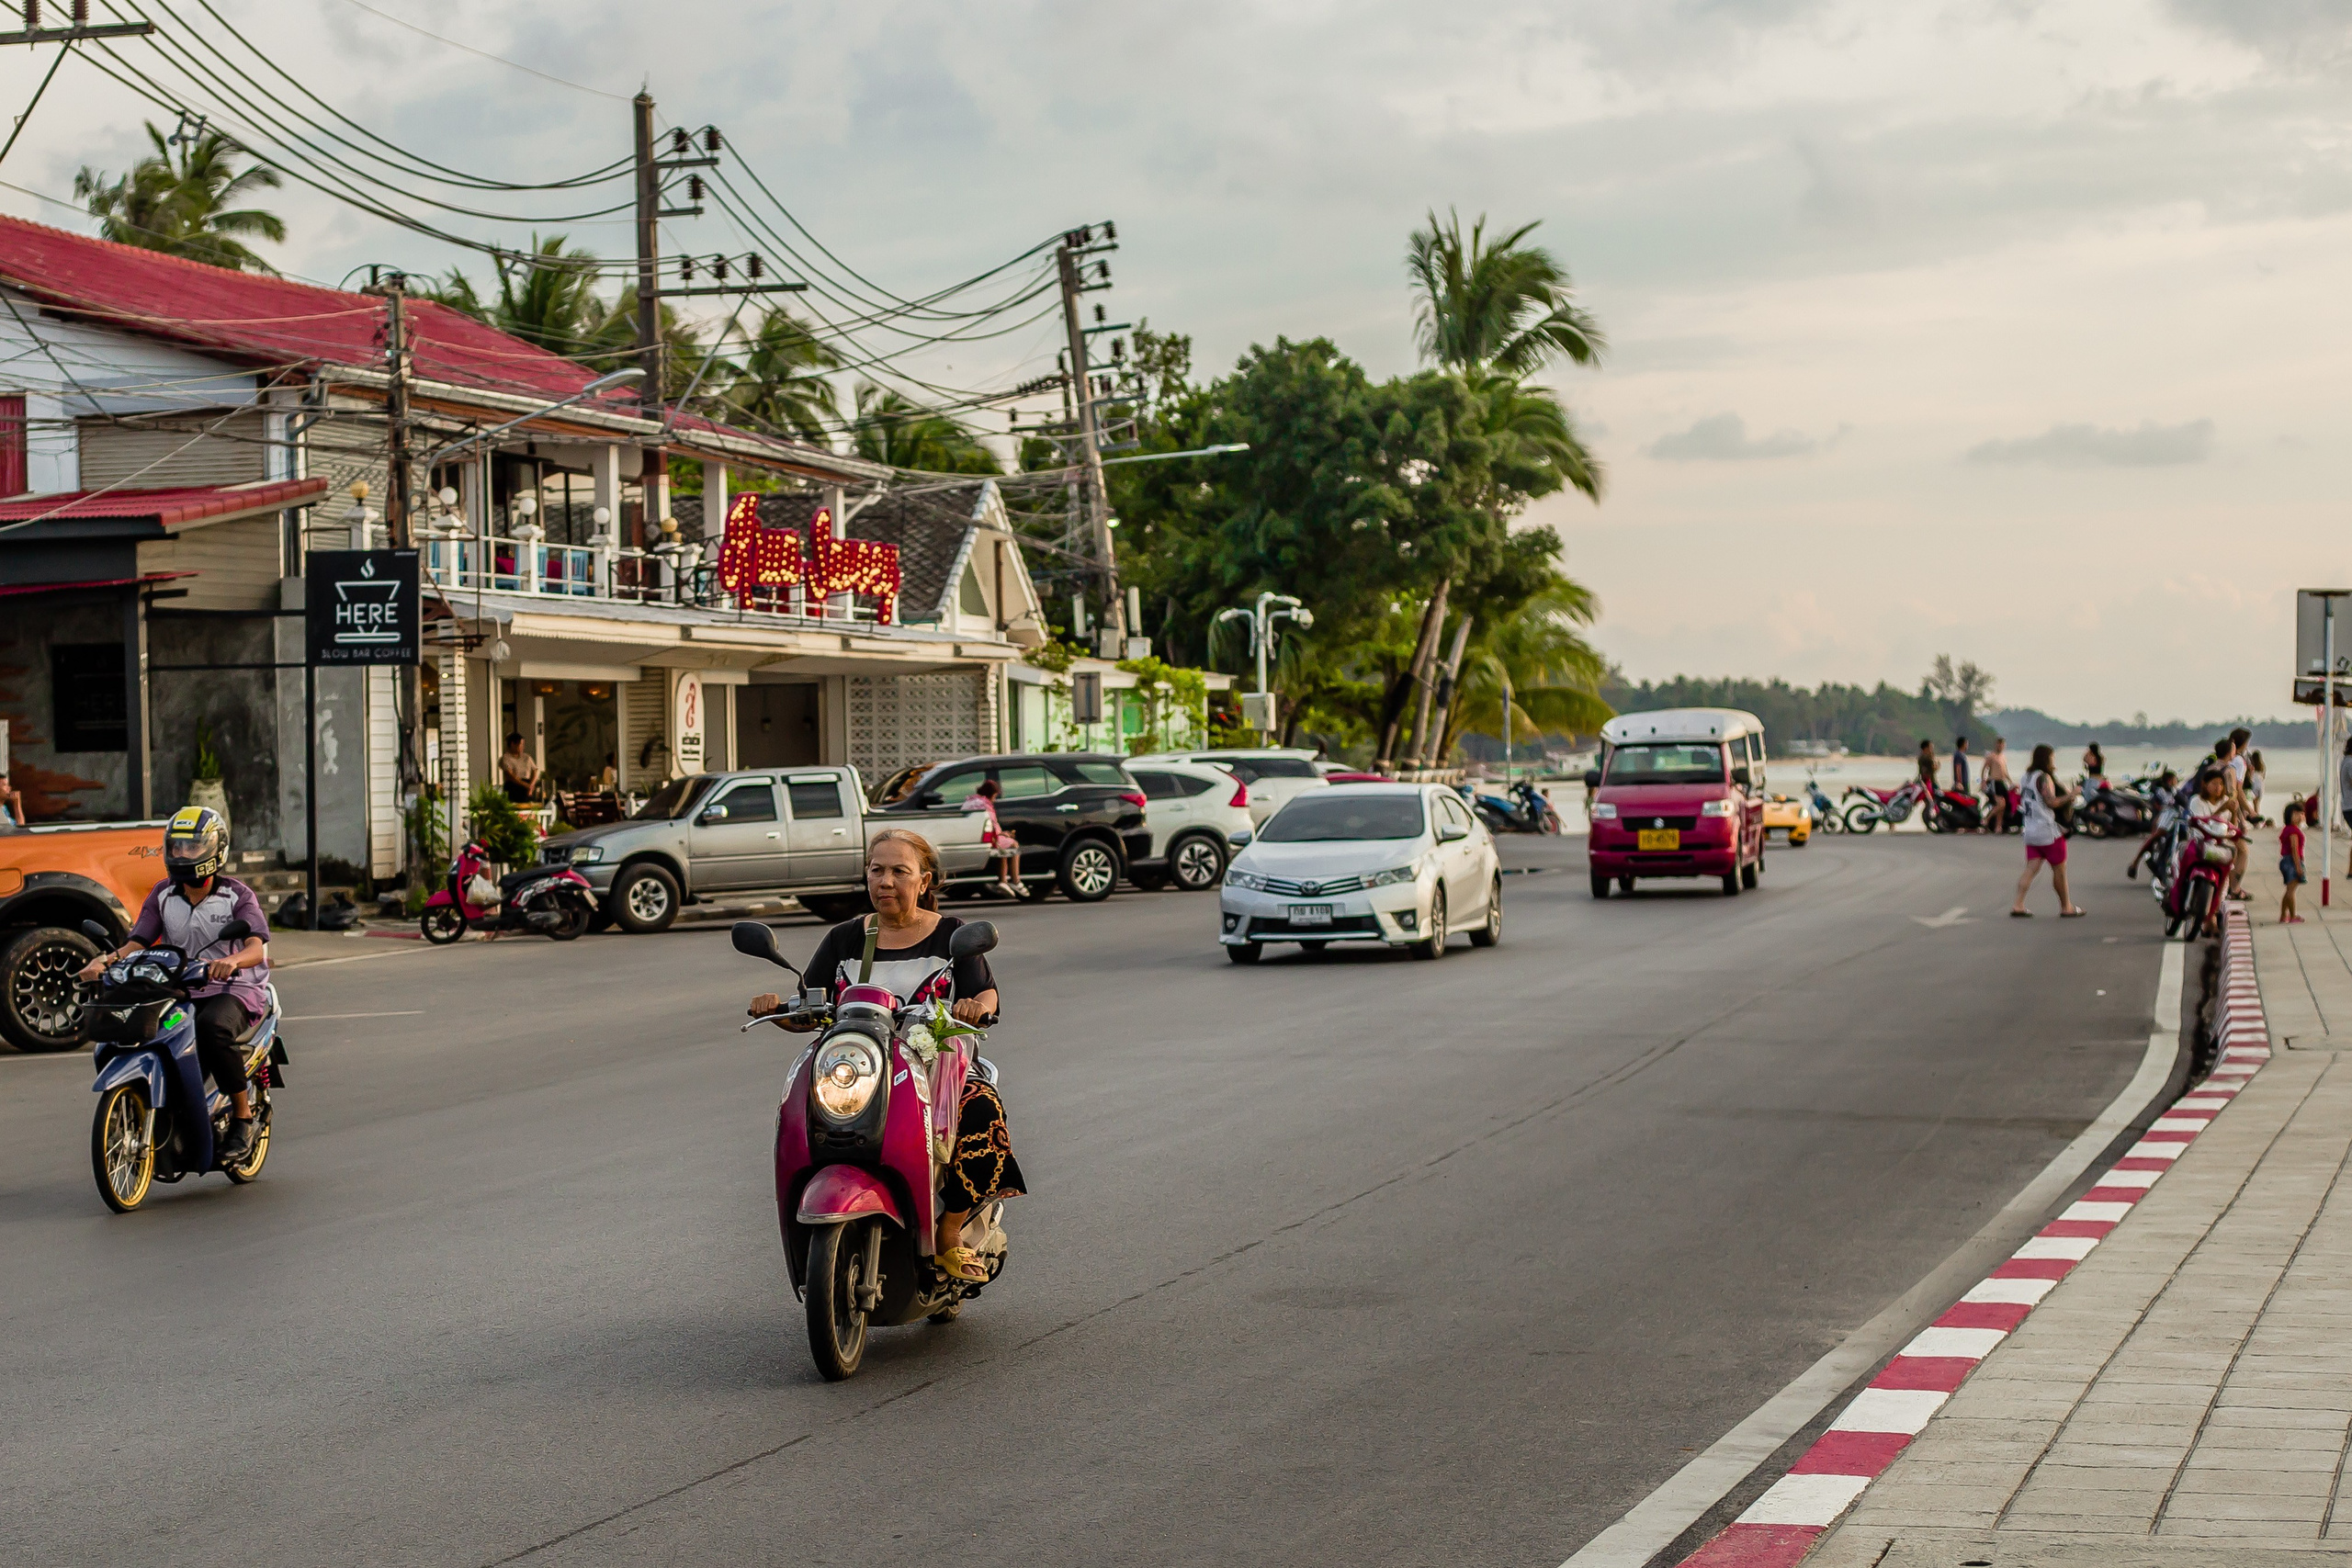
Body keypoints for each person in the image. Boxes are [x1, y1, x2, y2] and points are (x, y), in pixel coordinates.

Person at [751, 829, 1023, 1284]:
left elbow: (985, 993)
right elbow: (809, 1006)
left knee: (981, 1110)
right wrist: (776, 1009)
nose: (886, 881)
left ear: (923, 880)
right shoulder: (843, 938)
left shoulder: (952, 935)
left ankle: (950, 1231)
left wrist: (977, 1007)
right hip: (857, 1068)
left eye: (900, 871)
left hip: (939, 1067)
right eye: (877, 870)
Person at [75, 807, 270, 1162]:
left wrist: (231, 961)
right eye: (176, 847)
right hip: (179, 985)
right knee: (142, 1029)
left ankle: (242, 1117)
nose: (182, 855)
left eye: (193, 847)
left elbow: (256, 947)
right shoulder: (162, 894)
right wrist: (105, 961)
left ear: (216, 849)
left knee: (211, 1028)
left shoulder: (238, 895)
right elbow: (138, 943)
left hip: (233, 988)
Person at [2011, 743, 2085, 918]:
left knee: (2031, 868)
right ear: (2046, 759)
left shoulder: (2026, 777)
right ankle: (2066, 906)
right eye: (2052, 758)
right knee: (2059, 870)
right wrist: (2072, 794)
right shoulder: (2044, 778)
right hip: (2048, 832)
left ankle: (2018, 904)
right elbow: (2051, 802)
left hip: (2030, 830)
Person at [961, 778, 1023, 897]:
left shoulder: (970, 801)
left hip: (970, 836)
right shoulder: (986, 805)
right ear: (992, 794)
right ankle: (1015, 880)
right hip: (986, 838)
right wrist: (1005, 834)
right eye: (995, 796)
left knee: (1003, 848)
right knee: (1013, 845)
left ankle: (1003, 881)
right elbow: (993, 827)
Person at [2125, 768, 2181, 880]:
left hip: (2174, 817)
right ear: (2170, 780)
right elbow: (2158, 806)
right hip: (2162, 817)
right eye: (2175, 779)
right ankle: (2135, 862)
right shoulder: (2160, 792)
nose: (2177, 781)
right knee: (2157, 835)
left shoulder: (2175, 791)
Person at [2279, 800, 2308, 926]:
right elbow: (2294, 849)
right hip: (2291, 861)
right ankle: (2292, 915)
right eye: (2295, 813)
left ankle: (2283, 914)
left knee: (2289, 890)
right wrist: (2298, 866)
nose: (2299, 816)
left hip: (2286, 860)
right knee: (2291, 891)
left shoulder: (2287, 829)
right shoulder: (2293, 831)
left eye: (2300, 813)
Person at [1981, 737, 2014, 833]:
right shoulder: (1991, 756)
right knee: (2001, 804)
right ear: (1996, 745)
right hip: (1994, 782)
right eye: (1999, 744)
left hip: (2002, 782)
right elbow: (1984, 769)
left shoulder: (2003, 757)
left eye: (2002, 744)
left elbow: (2005, 771)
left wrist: (2011, 782)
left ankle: (1998, 826)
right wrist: (1983, 781)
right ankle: (1986, 819)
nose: (2000, 746)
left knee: (2004, 805)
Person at [500, 733, 541, 803]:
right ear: (513, 744)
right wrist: (526, 785)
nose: (523, 747)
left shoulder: (527, 757)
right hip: (514, 787)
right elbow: (511, 776)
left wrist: (531, 785)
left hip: (528, 786)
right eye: (521, 744)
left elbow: (534, 771)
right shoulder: (506, 758)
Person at [2246, 750, 2267, 826]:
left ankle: (2255, 818)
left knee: (2254, 802)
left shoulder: (2252, 765)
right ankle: (2257, 818)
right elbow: (2263, 776)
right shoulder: (2262, 765)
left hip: (2254, 784)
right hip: (2260, 784)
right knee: (2257, 803)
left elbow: (2249, 775)